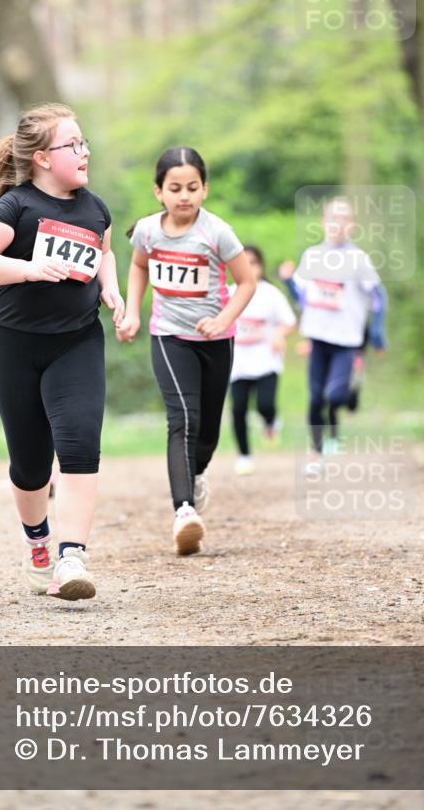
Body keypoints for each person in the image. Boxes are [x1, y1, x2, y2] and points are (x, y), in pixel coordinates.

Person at [0, 103, 123, 601]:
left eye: (84, 141)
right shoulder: (16, 207)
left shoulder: (95, 208)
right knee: (30, 465)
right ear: (44, 158)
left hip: (77, 342)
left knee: (78, 442)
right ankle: (38, 542)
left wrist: (109, 288)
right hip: (15, 348)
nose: (84, 151)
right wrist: (28, 268)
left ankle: (72, 557)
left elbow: (105, 251)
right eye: (73, 145)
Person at [116, 147, 255, 555]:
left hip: (215, 340)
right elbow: (140, 266)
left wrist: (223, 320)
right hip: (170, 335)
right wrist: (134, 313)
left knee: (208, 431)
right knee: (183, 419)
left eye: (192, 188)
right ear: (158, 191)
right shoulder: (147, 230)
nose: (184, 196)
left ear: (204, 189)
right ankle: (183, 511)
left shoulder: (217, 233)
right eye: (175, 188)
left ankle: (194, 477)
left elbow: (245, 282)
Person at [279, 196, 386, 473]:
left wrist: (376, 331)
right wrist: (289, 281)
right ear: (323, 223)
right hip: (317, 336)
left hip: (347, 340)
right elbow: (302, 296)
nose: (337, 225)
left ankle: (350, 391)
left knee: (334, 395)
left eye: (343, 220)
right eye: (332, 219)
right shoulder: (312, 256)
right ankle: (316, 454)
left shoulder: (358, 259)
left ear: (352, 226)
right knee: (316, 398)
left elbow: (378, 296)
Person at [229, 245, 296, 475]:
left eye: (253, 263)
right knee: (238, 409)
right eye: (243, 262)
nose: (249, 267)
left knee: (265, 405)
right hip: (238, 363)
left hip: (266, 360)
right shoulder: (228, 292)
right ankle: (244, 456)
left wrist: (278, 334)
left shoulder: (270, 293)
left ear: (260, 266)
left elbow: (288, 321)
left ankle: (270, 422)